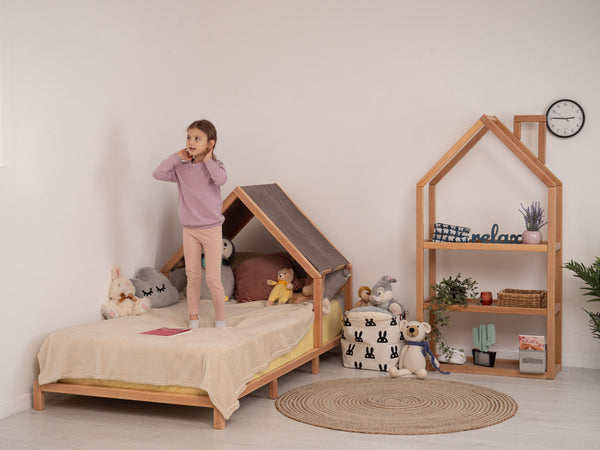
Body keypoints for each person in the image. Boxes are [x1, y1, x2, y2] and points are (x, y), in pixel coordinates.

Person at [153, 120, 227, 328]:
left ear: (210, 144)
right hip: (190, 230)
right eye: (188, 137)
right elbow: (158, 173)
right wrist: (177, 157)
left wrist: (208, 160)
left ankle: (221, 321)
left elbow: (220, 180)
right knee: (192, 276)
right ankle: (193, 319)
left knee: (213, 278)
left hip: (211, 228)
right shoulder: (182, 169)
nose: (191, 142)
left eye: (197, 138)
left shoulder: (215, 167)